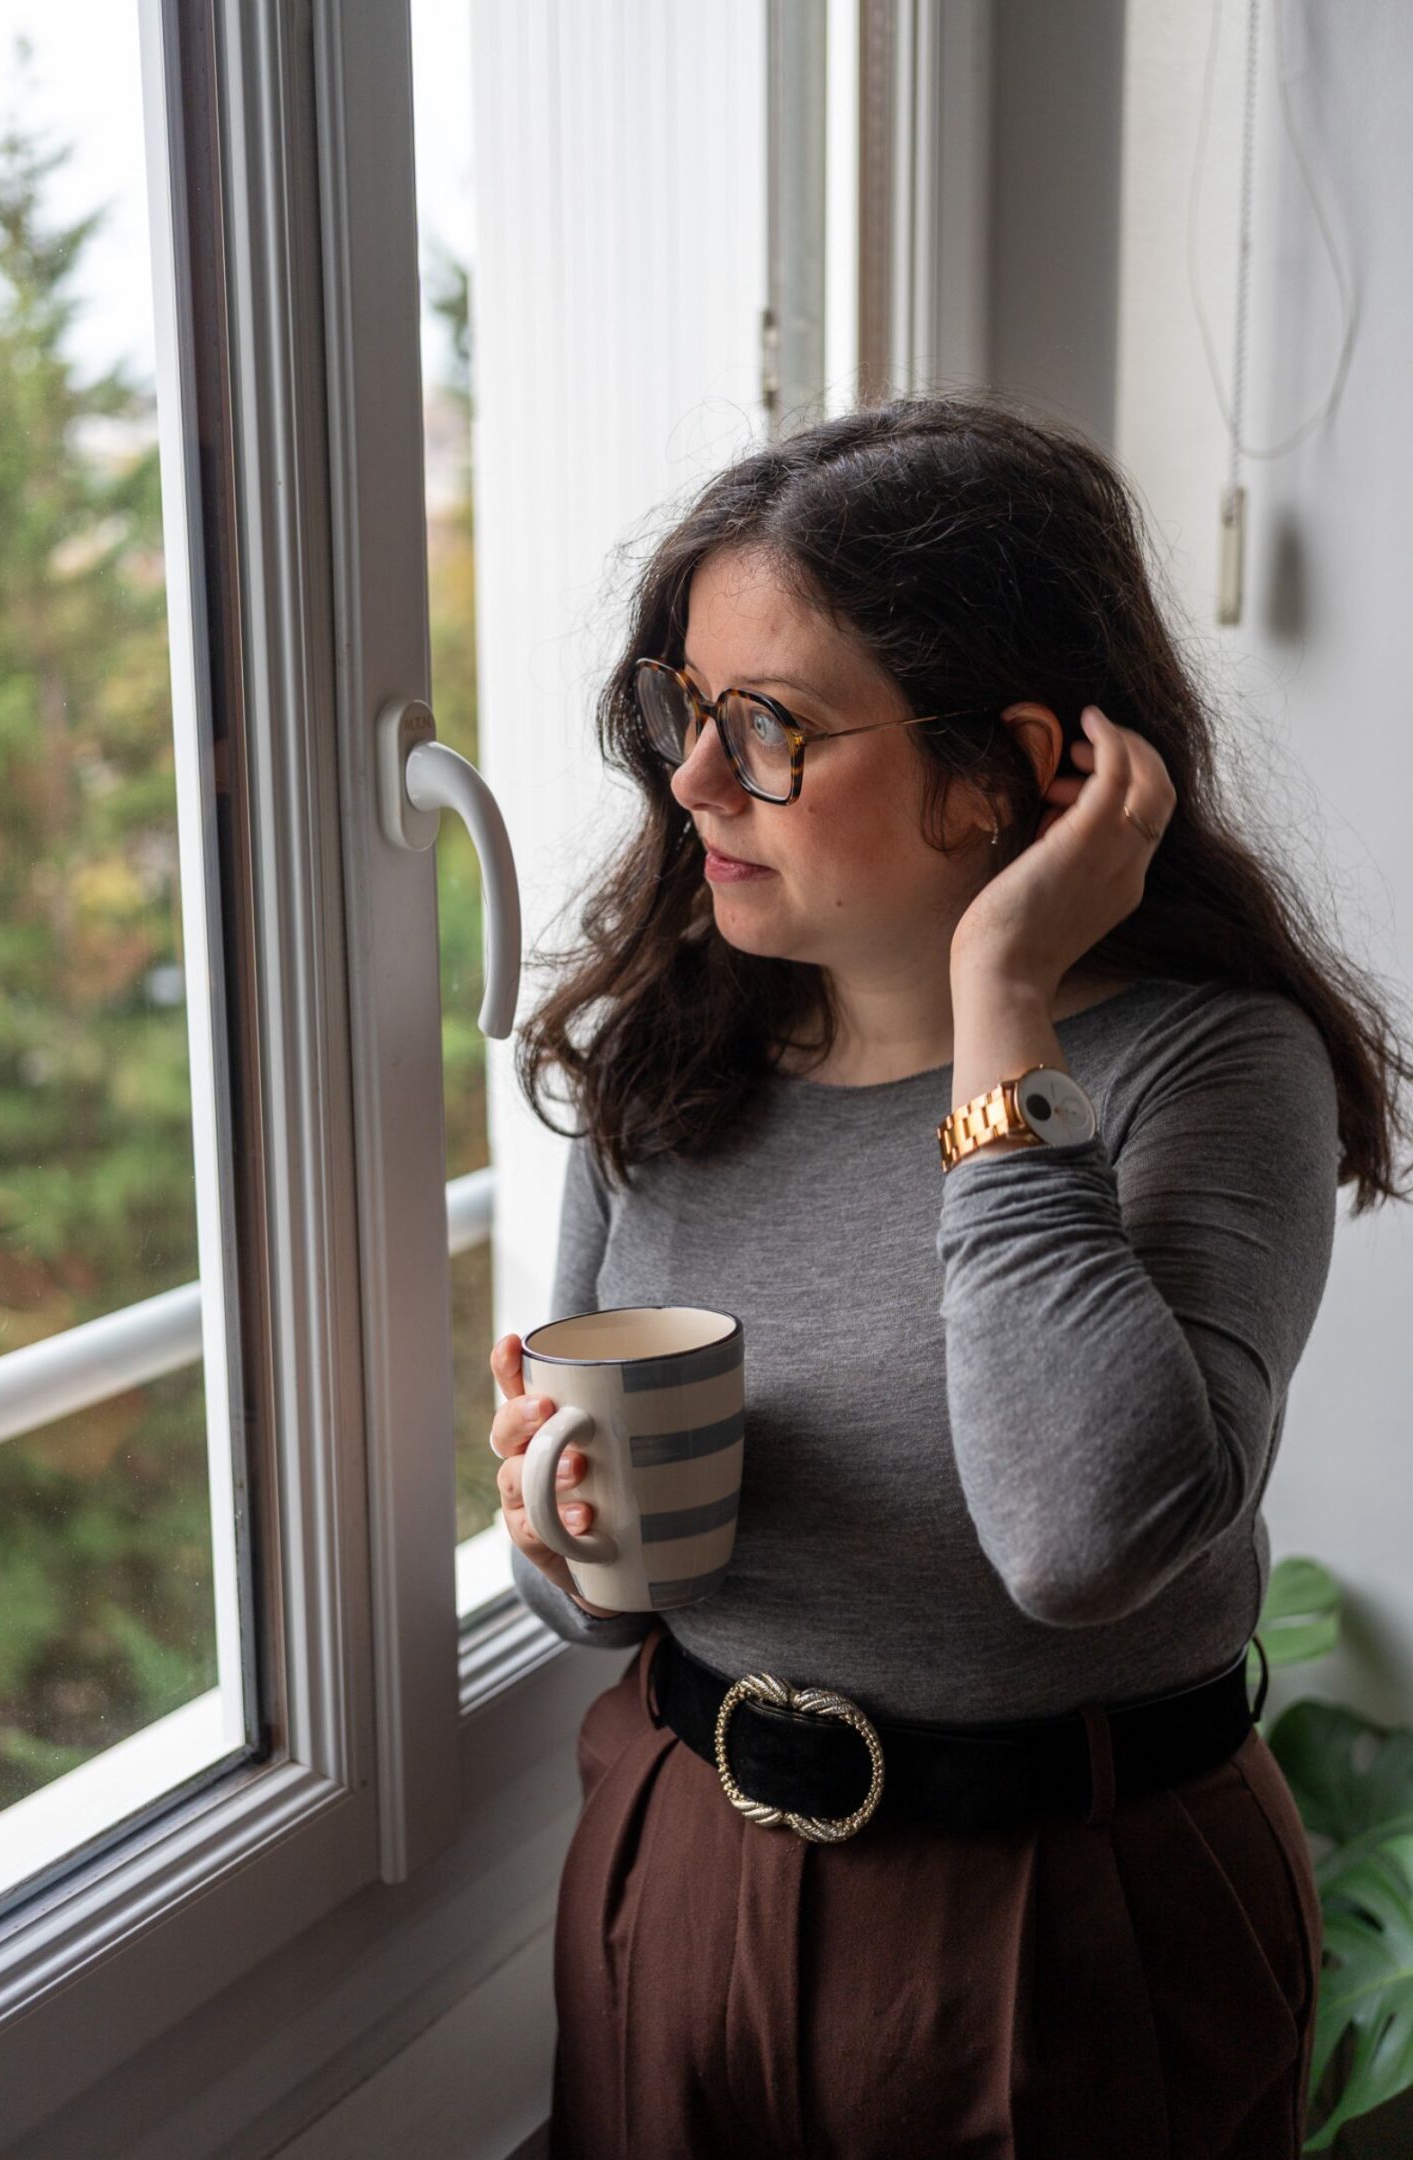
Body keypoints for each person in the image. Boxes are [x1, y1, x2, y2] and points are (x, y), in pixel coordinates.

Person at [488, 390, 1412, 2159]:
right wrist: (561, 1537)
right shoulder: (665, 1064)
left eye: (764, 728)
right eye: (682, 710)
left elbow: (1085, 1538)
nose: (691, 782)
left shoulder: (1212, 1072)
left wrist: (1006, 1008)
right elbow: (609, 1601)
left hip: (1077, 1934)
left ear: (1015, 767)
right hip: (676, 1875)